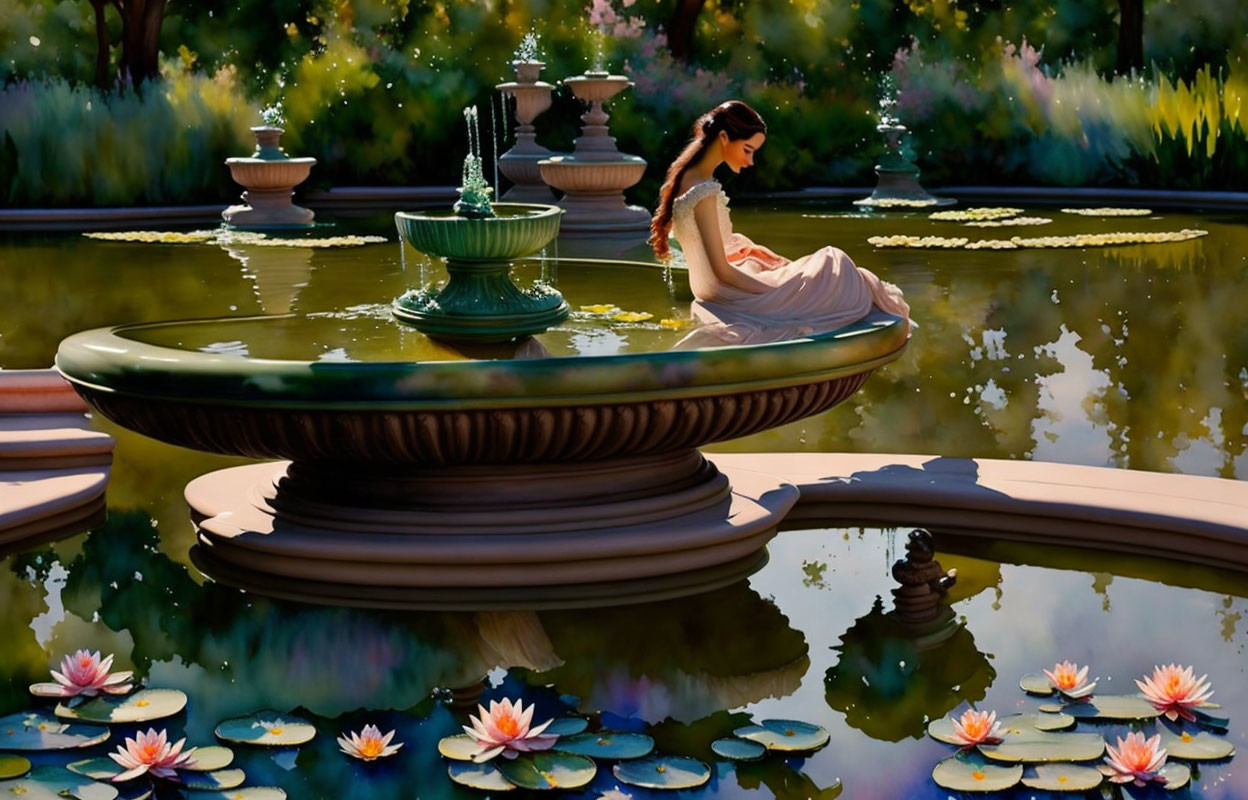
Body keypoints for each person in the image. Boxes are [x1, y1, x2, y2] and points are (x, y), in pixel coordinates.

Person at [649, 100, 913, 346]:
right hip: (722, 290)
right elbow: (722, 271)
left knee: (818, 269)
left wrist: (745, 251)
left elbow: (693, 241)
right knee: (836, 264)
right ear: (723, 138)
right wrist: (774, 289)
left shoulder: (685, 178)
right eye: (747, 149)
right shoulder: (703, 192)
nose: (750, 161)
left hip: (708, 288)